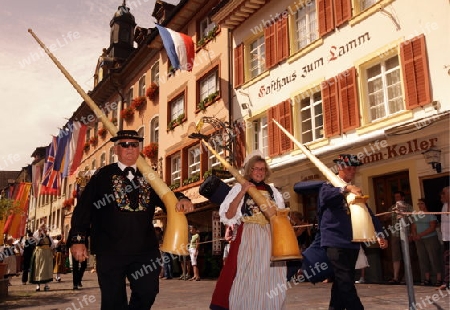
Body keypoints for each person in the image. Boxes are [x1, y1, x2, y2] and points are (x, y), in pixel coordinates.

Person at [68, 130, 193, 310]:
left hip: (144, 250)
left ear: (139, 148)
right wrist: (77, 239)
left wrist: (182, 198)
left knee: (148, 292)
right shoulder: (102, 176)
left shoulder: (150, 177)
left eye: (134, 144)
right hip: (110, 250)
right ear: (116, 149)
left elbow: (167, 195)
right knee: (113, 301)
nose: (129, 149)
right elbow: (83, 209)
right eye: (124, 144)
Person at [210, 155, 287, 310]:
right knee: (246, 275)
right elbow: (228, 215)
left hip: (270, 237)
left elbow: (281, 217)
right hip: (249, 236)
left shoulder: (272, 191)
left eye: (262, 169)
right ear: (249, 170)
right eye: (256, 168)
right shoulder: (239, 188)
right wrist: (243, 191)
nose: (259, 172)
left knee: (271, 276)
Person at [319, 154, 387, 309]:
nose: (353, 171)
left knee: (343, 281)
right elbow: (326, 197)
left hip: (351, 243)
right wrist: (346, 188)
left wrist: (380, 233)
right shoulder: (328, 185)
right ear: (340, 168)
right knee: (345, 281)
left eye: (354, 168)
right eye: (349, 168)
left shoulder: (354, 190)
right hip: (334, 241)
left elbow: (367, 212)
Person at [410, 198, 442, 286]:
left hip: (430, 238)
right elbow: (413, 226)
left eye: (422, 203)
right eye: (418, 204)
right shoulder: (417, 215)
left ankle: (438, 278)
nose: (420, 205)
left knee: (434, 257)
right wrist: (414, 235)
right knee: (423, 258)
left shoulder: (430, 215)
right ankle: (426, 278)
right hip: (419, 240)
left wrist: (421, 234)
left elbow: (432, 227)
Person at [387, 191, 413, 284]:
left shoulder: (409, 207)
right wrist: (388, 214)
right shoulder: (392, 207)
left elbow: (413, 221)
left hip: (406, 233)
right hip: (395, 234)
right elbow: (386, 216)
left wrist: (411, 233)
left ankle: (407, 277)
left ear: (403, 198)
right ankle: (395, 277)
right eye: (395, 197)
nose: (396, 198)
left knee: (407, 255)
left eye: (398, 197)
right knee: (395, 256)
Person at [30, 224, 55, 291]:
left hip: (47, 254)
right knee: (38, 268)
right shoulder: (37, 235)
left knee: (46, 269)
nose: (44, 229)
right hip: (39, 253)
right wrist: (39, 232)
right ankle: (38, 285)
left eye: (45, 228)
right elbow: (36, 239)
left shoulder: (48, 237)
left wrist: (52, 252)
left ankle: (46, 285)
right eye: (42, 228)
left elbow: (52, 245)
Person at [438, 186, 449, 290]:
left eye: (444, 193)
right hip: (446, 238)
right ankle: (446, 282)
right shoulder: (444, 206)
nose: (442, 195)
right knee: (447, 260)